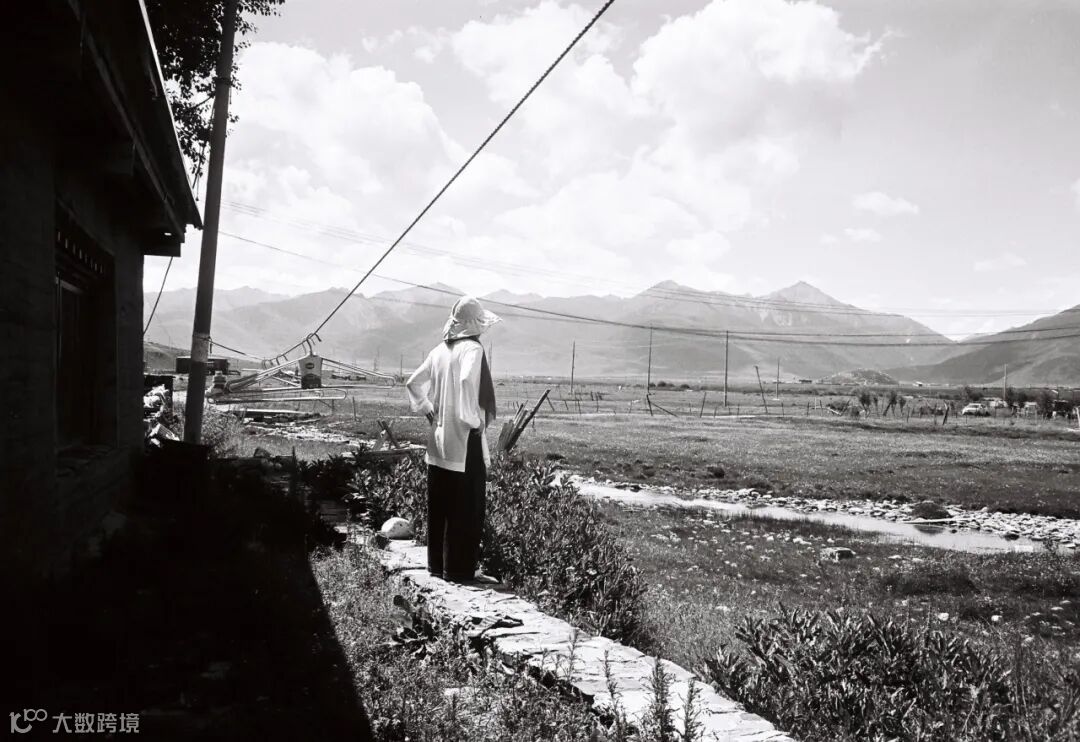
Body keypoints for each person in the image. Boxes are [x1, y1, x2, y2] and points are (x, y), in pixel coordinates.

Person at [405, 296, 499, 583]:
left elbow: (412, 382)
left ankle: (437, 566)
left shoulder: (439, 351)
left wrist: (428, 408)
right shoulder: (472, 349)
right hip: (463, 440)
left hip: (438, 442)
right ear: (476, 324)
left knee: (440, 505)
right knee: (467, 506)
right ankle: (460, 571)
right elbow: (467, 379)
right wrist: (472, 419)